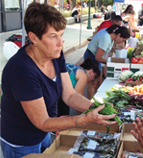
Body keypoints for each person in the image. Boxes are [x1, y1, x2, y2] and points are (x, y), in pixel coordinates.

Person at [0, 3, 117, 157]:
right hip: (21, 141)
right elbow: (42, 122)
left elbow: (69, 95)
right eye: (53, 36)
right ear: (34, 38)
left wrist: (95, 107)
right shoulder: (22, 70)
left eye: (61, 34)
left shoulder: (55, 54)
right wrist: (82, 120)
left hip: (44, 133)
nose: (60, 42)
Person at [83, 25, 130, 99]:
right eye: (123, 40)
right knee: (93, 83)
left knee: (99, 80)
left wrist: (114, 49)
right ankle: (90, 105)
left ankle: (98, 99)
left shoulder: (111, 34)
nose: (122, 42)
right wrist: (110, 63)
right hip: (91, 57)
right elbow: (98, 57)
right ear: (119, 35)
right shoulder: (106, 38)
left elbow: (105, 48)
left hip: (94, 56)